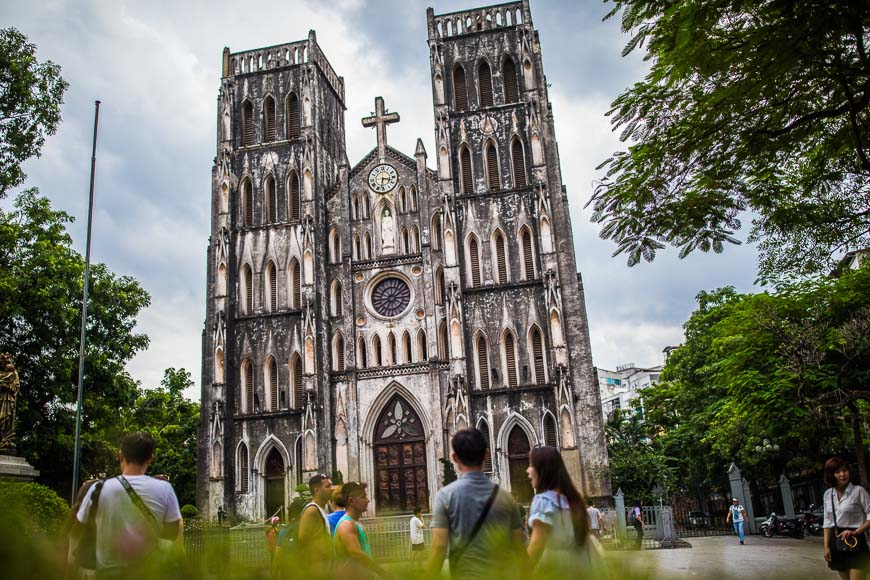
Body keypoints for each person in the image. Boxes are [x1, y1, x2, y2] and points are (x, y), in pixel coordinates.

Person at [74, 432, 182, 577]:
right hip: (147, 573)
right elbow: (171, 533)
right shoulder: (165, 490)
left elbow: (78, 529)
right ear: (150, 458)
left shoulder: (97, 489)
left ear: (120, 455)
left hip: (107, 574)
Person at [427, 428, 526, 579]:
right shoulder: (506, 498)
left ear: (454, 457)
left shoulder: (445, 497)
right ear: (486, 455)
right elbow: (519, 547)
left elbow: (439, 548)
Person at [525, 446, 599, 573]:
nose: (528, 470)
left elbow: (536, 546)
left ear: (542, 470)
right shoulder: (574, 501)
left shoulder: (544, 502)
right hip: (580, 568)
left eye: (531, 465)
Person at [822, 457, 870, 579]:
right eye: (837, 472)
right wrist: (826, 547)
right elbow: (827, 523)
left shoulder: (859, 491)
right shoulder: (828, 494)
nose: (842, 474)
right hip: (836, 541)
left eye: (845, 470)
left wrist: (856, 531)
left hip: (855, 540)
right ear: (831, 475)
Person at [333, 481, 389, 579]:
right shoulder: (346, 525)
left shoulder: (355, 523)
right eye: (363, 497)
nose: (367, 500)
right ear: (351, 501)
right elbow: (356, 553)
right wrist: (381, 572)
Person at [298, 474, 334, 566]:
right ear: (317, 490)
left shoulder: (323, 508)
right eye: (328, 486)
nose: (332, 488)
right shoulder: (311, 510)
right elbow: (302, 538)